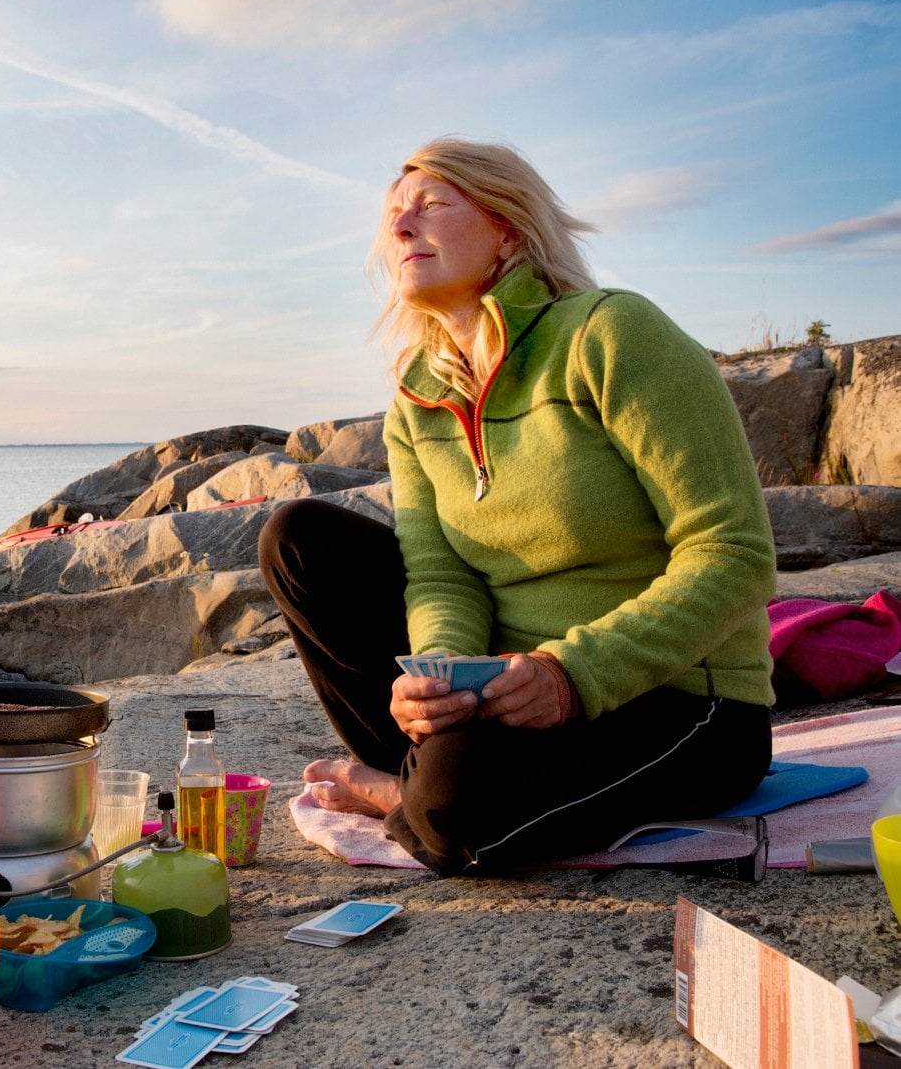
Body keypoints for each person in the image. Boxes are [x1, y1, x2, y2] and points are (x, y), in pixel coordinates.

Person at [258, 136, 775, 875]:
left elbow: (736, 555)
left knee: (456, 816)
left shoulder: (612, 334)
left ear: (509, 225)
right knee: (298, 534)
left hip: (677, 695)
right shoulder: (417, 395)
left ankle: (394, 792)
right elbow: (441, 575)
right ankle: (422, 762)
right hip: (501, 693)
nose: (400, 228)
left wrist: (572, 674)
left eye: (431, 205)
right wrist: (436, 673)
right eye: (393, 216)